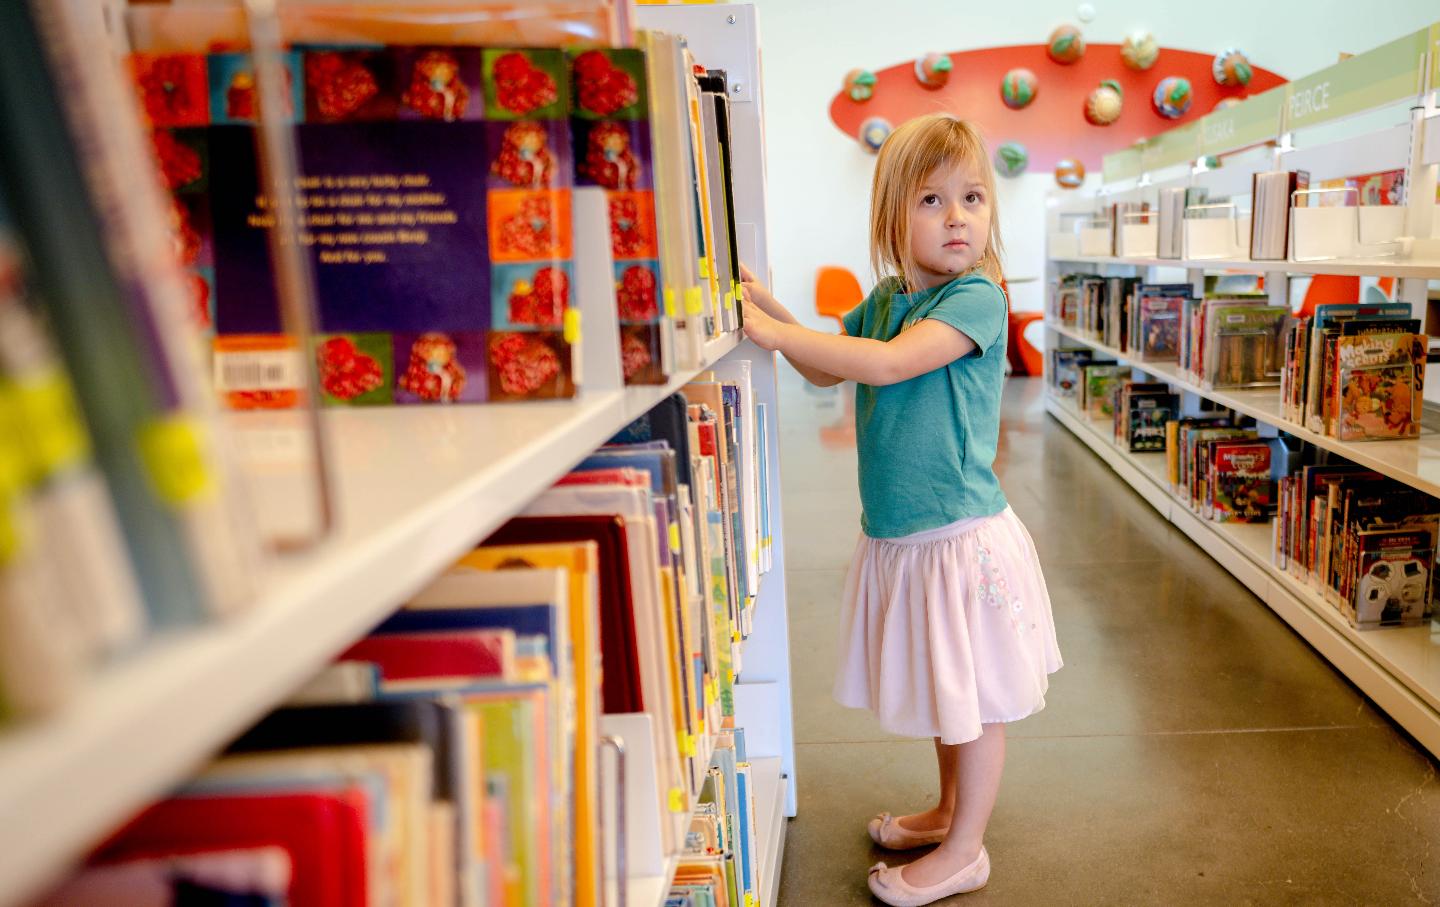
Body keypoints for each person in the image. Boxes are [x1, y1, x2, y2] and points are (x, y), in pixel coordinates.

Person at [739, 114, 1063, 906]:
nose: (958, 216)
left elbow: (884, 367)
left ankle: (965, 849)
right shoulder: (887, 297)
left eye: (973, 197)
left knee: (976, 697)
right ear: (893, 217)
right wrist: (769, 310)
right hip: (906, 538)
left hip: (959, 539)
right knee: (946, 687)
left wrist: (777, 336)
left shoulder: (978, 299)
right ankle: (949, 810)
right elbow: (825, 369)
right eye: (932, 199)